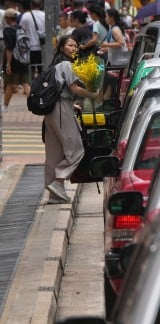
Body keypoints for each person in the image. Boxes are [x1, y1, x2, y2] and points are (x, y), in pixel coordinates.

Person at [44, 35, 101, 204]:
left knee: (54, 154)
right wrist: (93, 94)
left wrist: (70, 104)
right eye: (70, 45)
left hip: (52, 110)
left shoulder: (54, 66)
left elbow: (62, 90)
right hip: (61, 110)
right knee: (76, 149)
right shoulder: (66, 65)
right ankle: (58, 181)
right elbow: (74, 88)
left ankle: (54, 194)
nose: (74, 48)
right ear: (62, 48)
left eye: (76, 45)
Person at [3, 8, 30, 112]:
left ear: (8, 18)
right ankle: (34, 104)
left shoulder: (8, 30)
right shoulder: (21, 28)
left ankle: (5, 107)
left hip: (13, 61)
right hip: (23, 60)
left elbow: (9, 48)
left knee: (9, 84)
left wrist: (8, 64)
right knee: (25, 83)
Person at [19, 0, 45, 79]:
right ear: (41, 5)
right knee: (42, 67)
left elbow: (21, 29)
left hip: (30, 46)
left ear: (31, 5)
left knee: (32, 68)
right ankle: (42, 82)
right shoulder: (44, 15)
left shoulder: (26, 16)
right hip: (42, 46)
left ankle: (32, 83)